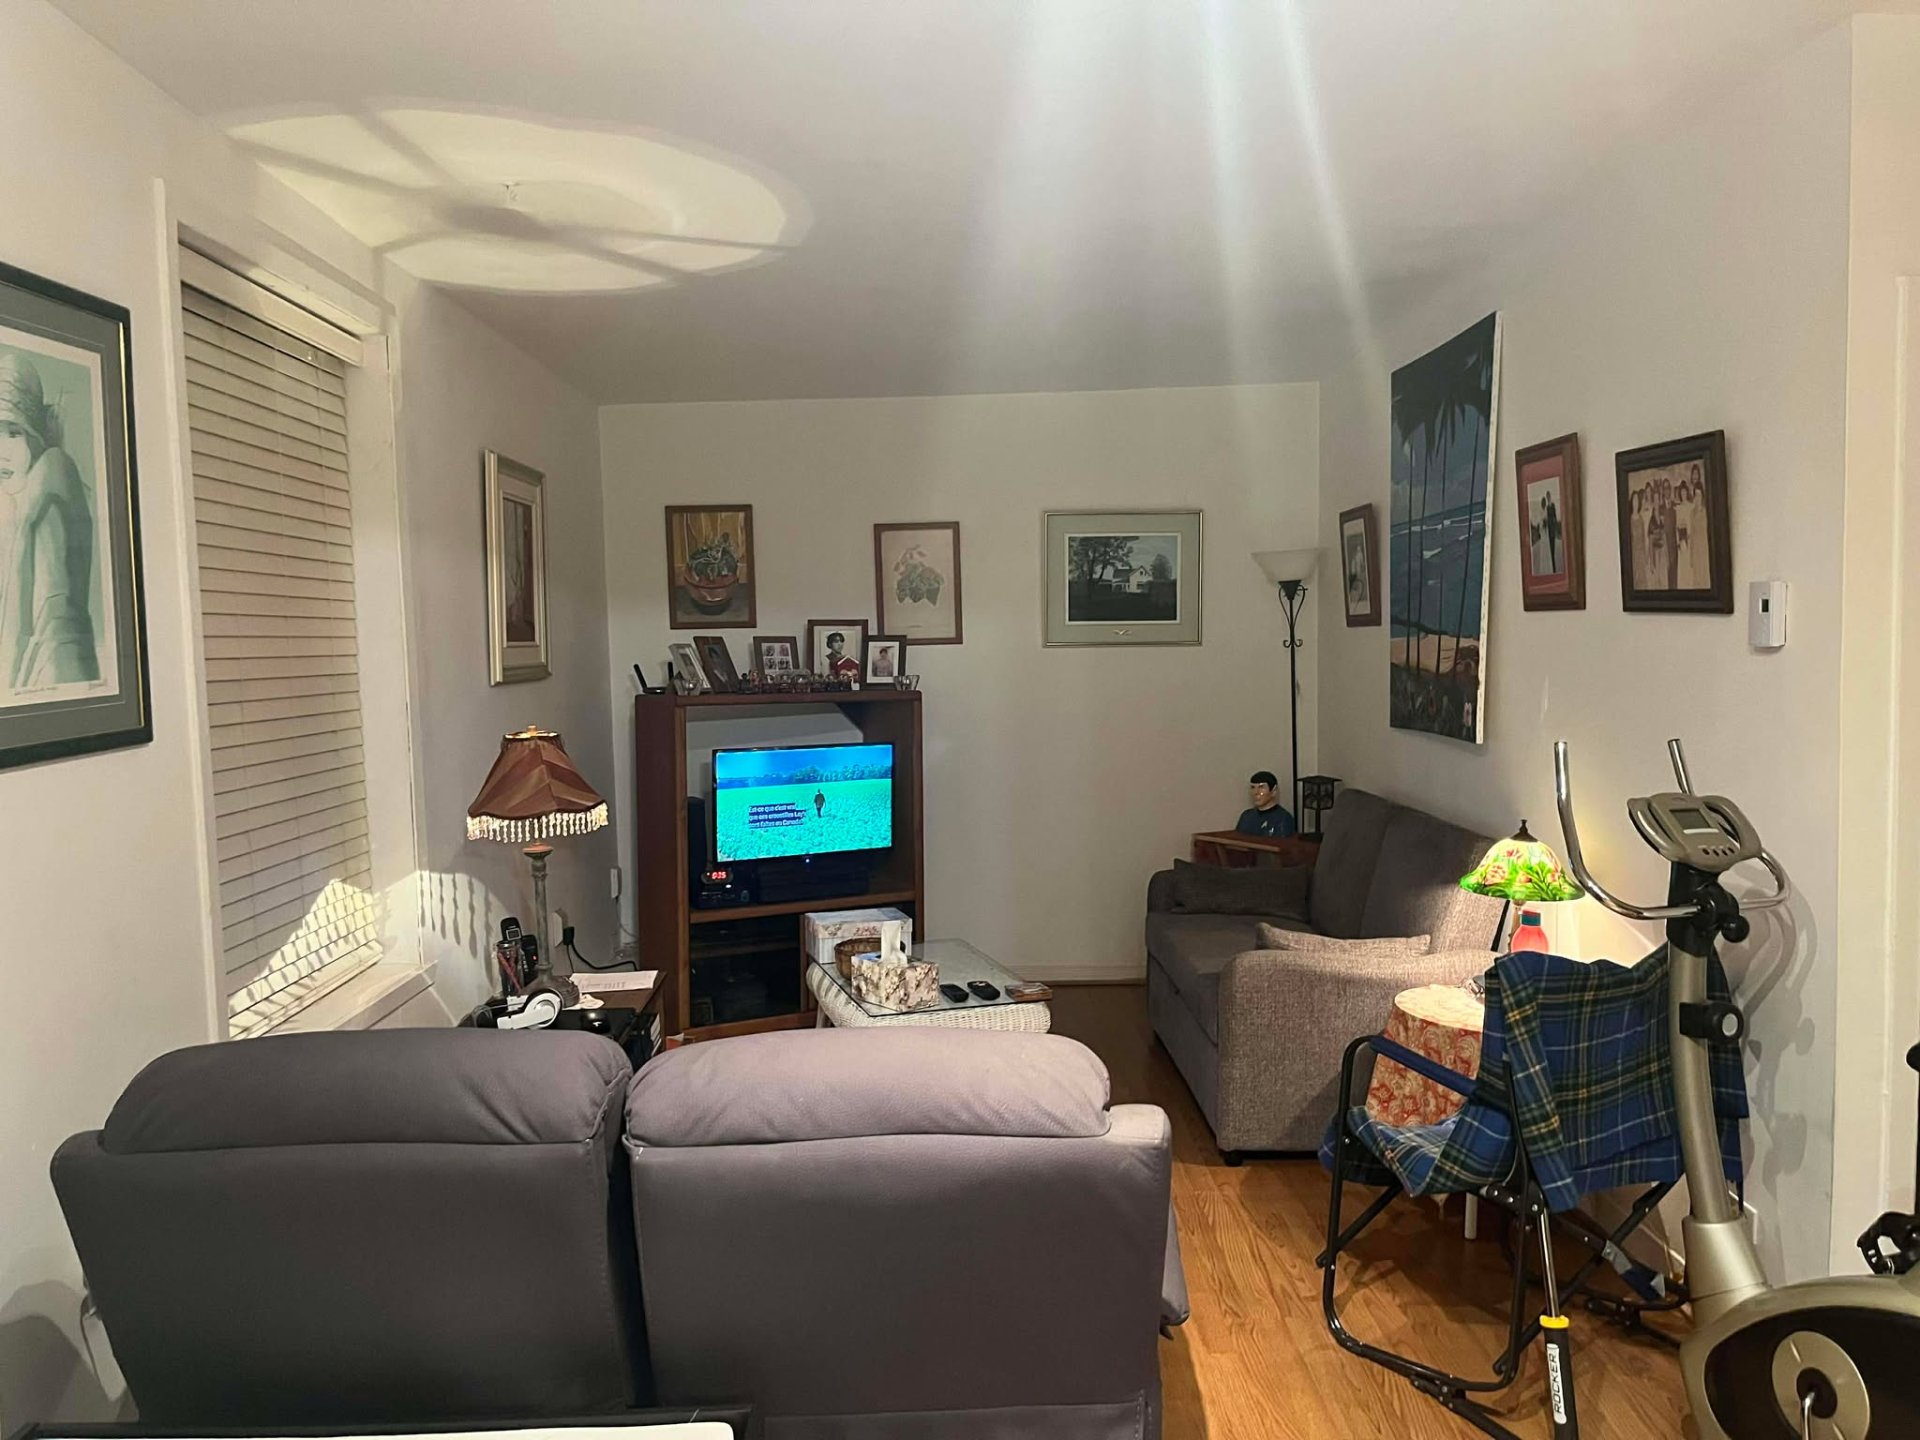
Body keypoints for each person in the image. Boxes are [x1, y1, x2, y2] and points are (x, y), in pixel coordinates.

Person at [0, 353, 98, 694]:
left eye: (13, 433)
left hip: (56, 671)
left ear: (34, 436)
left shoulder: (53, 470)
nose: (1, 450)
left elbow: (31, 626)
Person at [1234, 770, 1297, 839]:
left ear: (1274, 791)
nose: (1256, 792)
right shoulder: (1246, 816)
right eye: (1253, 787)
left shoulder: (1283, 818)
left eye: (1261, 787)